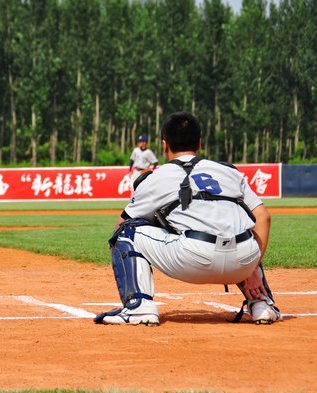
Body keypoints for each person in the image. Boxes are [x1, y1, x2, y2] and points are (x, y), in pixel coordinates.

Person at [95, 111, 281, 326]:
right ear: (200, 143)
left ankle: (139, 307)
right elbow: (263, 218)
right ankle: (261, 303)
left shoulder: (157, 178)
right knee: (242, 230)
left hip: (194, 259)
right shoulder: (229, 171)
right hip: (243, 263)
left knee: (125, 231)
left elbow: (122, 223)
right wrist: (252, 267)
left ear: (164, 146)